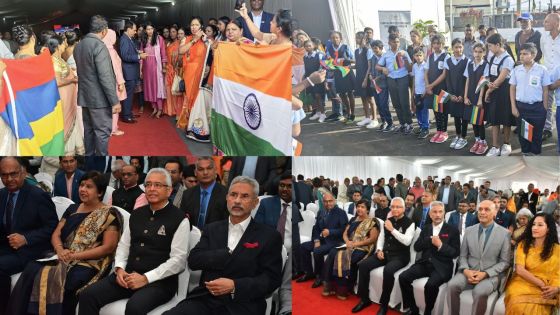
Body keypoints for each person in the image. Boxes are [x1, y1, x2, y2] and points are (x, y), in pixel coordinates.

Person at [7, 171, 123, 315]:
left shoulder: (108, 214)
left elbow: (108, 247)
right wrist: (60, 249)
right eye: (81, 185)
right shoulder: (72, 208)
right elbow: (56, 233)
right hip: (63, 255)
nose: (82, 189)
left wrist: (75, 256)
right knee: (32, 269)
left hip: (88, 262)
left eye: (89, 187)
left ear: (99, 192)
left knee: (68, 282)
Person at [163, 176, 282, 315]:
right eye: (233, 195)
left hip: (243, 304)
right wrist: (227, 254)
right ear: (227, 198)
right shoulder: (212, 229)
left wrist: (234, 286)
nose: (237, 201)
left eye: (244, 196)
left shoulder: (269, 236)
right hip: (205, 298)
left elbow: (271, 279)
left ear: (255, 203)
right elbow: (194, 260)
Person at [78, 168, 190, 315]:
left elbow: (179, 260)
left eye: (157, 185)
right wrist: (119, 269)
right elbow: (124, 246)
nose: (151, 189)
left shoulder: (179, 219)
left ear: (169, 191)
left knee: (134, 308)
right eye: (148, 184)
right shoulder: (137, 214)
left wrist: (146, 278)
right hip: (127, 275)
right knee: (87, 295)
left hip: (159, 282)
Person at [0, 158, 58, 315]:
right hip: (6, 247)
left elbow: (52, 226)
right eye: (4, 175)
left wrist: (26, 238)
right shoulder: (2, 194)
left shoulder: (38, 195)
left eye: (13, 174)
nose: (9, 179)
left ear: (24, 172)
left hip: (30, 250)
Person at [446, 200, 511, 315]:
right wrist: (466, 270)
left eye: (487, 210)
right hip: (468, 271)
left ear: (495, 212)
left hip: (490, 275)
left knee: (479, 292)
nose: (482, 212)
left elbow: (505, 262)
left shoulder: (504, 233)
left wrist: (485, 273)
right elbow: (463, 256)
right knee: (452, 285)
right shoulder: (469, 230)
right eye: (480, 209)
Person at [353, 197, 415, 314]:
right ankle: (364, 299)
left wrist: (392, 230)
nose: (395, 209)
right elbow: (381, 238)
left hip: (400, 256)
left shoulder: (410, 223)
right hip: (385, 253)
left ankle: (384, 305)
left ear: (404, 208)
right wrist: (379, 249)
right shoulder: (388, 220)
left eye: (398, 207)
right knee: (363, 265)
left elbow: (407, 241)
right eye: (393, 207)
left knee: (388, 271)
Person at [399, 201, 460, 315]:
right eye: (434, 212)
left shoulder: (452, 230)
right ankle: (413, 308)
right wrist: (428, 240)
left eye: (440, 212)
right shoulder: (426, 228)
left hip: (442, 266)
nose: (437, 215)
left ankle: (428, 311)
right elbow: (417, 247)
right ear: (430, 214)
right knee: (403, 277)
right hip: (425, 263)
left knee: (430, 285)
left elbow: (455, 253)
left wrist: (440, 245)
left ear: (444, 213)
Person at [73, 15, 121, 156]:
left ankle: (89, 159)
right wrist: (114, 101)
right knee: (102, 132)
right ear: (104, 30)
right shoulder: (99, 46)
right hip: (99, 99)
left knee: (89, 131)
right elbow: (105, 77)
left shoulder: (79, 45)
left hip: (85, 97)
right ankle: (99, 162)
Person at [254, 173, 299, 315]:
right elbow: (256, 231)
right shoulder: (267, 204)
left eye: (289, 186)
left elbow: (296, 237)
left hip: (290, 254)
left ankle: (285, 309)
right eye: (282, 185)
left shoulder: (296, 209)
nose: (285, 189)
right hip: (268, 253)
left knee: (287, 285)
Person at [323, 199, 379, 300]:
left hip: (362, 248)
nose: (359, 209)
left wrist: (356, 244)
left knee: (346, 257)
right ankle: (329, 283)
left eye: (362, 207)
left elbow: (372, 239)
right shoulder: (353, 219)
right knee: (332, 252)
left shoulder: (372, 222)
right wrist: (347, 242)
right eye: (358, 206)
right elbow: (345, 233)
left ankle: (343, 288)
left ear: (367, 210)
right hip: (349, 244)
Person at [505, 213, 559, 314]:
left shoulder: (557, 250)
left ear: (548, 229)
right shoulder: (524, 244)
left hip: (547, 288)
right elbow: (520, 270)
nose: (534, 228)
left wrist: (556, 288)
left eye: (540, 225)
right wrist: (542, 285)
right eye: (533, 224)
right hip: (523, 283)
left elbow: (558, 273)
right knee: (518, 307)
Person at [297, 191, 348, 287]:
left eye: (330, 201)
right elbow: (316, 228)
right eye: (325, 201)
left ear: (334, 201)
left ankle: (319, 276)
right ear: (323, 202)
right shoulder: (321, 211)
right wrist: (316, 240)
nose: (328, 203)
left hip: (335, 241)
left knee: (317, 251)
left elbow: (344, 230)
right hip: (321, 239)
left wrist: (330, 231)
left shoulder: (341, 213)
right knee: (303, 247)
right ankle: (308, 273)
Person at [510, 42, 551, 155]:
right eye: (520, 53)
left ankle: (535, 156)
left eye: (525, 54)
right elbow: (512, 89)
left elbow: (545, 89)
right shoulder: (517, 70)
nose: (521, 56)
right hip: (521, 108)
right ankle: (526, 154)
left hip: (537, 108)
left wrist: (544, 107)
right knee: (524, 135)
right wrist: (513, 107)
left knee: (537, 136)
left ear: (533, 55)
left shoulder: (542, 70)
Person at [47, 34, 85, 155]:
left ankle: (74, 149)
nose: (65, 44)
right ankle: (65, 152)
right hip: (62, 99)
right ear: (57, 46)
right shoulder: (53, 61)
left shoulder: (60, 59)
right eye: (63, 43)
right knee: (65, 124)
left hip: (69, 99)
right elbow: (57, 81)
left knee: (72, 122)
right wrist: (72, 80)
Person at [483, 33, 515, 156]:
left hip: (504, 91)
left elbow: (501, 79)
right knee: (494, 120)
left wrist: (488, 91)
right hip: (494, 90)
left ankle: (506, 144)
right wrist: (488, 85)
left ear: (498, 45)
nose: (489, 49)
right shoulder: (493, 57)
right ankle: (495, 146)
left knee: (506, 119)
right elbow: (488, 75)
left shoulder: (507, 59)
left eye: (490, 46)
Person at [376, 33, 412, 133]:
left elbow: (410, 68)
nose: (396, 44)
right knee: (396, 103)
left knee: (404, 102)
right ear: (389, 43)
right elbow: (377, 66)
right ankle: (402, 124)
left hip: (402, 78)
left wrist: (404, 58)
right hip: (391, 79)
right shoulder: (386, 54)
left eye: (397, 42)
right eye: (393, 42)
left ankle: (409, 124)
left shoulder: (403, 52)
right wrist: (383, 68)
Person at [176, 17, 207, 130]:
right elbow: (181, 51)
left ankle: (198, 125)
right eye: (192, 25)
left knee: (199, 99)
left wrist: (204, 39)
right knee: (189, 97)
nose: (194, 27)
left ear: (201, 26)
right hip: (189, 73)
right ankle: (189, 123)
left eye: (196, 25)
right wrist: (194, 40)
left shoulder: (206, 39)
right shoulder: (187, 39)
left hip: (201, 73)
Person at [179, 157, 228, 229]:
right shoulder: (187, 194)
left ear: (215, 171)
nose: (205, 172)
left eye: (209, 168)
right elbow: (182, 220)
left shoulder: (226, 194)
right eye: (201, 169)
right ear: (195, 172)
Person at [463, 43, 489, 154]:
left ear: (484, 53)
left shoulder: (485, 65)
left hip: (479, 97)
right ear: (472, 52)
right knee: (473, 120)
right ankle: (477, 140)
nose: (477, 54)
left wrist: (480, 99)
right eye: (475, 51)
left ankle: (483, 142)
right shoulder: (469, 64)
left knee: (479, 120)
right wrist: (465, 96)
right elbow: (467, 80)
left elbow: (483, 82)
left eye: (480, 52)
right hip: (470, 96)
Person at [326, 31, 356, 122]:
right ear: (330, 39)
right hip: (337, 73)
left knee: (350, 93)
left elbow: (354, 59)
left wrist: (344, 60)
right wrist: (331, 64)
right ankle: (348, 112)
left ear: (340, 38)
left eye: (337, 37)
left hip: (346, 72)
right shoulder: (328, 49)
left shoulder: (345, 47)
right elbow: (328, 63)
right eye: (333, 38)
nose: (335, 39)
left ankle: (353, 114)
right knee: (342, 94)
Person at [445, 38, 470, 150]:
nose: (458, 49)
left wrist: (461, 95)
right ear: (452, 48)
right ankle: (457, 135)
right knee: (455, 116)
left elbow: (467, 80)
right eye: (456, 47)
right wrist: (451, 95)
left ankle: (463, 137)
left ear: (463, 48)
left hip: (463, 94)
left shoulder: (467, 61)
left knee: (464, 117)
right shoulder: (449, 61)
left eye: (460, 47)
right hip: (453, 94)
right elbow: (447, 80)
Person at [120, 21, 146, 124]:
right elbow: (125, 56)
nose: (135, 32)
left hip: (131, 71)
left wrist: (137, 52)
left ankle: (129, 113)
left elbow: (129, 52)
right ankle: (126, 116)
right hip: (128, 72)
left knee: (130, 95)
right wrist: (139, 56)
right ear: (129, 29)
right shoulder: (124, 39)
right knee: (128, 94)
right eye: (134, 30)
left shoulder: (128, 39)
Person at [102, 29, 127, 137]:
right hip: (113, 82)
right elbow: (116, 69)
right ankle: (113, 129)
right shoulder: (111, 51)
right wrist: (121, 82)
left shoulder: (101, 49)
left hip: (103, 82)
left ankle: (106, 127)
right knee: (115, 106)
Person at [425, 34, 450, 143]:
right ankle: (438, 131)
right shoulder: (430, 56)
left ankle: (444, 132)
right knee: (436, 110)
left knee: (442, 110)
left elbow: (444, 74)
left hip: (442, 88)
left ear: (443, 44)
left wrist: (431, 85)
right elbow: (426, 72)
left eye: (438, 43)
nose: (436, 46)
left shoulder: (446, 56)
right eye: (434, 43)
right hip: (432, 88)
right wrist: (428, 86)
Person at [140, 21, 167, 119]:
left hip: (156, 66)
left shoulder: (159, 39)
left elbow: (163, 53)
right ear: (145, 30)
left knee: (157, 87)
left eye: (151, 29)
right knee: (149, 87)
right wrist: (140, 70)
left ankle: (160, 109)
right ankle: (154, 107)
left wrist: (164, 67)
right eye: (147, 29)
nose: (149, 31)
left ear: (154, 29)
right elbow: (141, 55)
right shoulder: (144, 39)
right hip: (147, 67)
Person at [541, 13, 560, 143]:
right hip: (547, 75)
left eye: (547, 21)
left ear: (556, 23)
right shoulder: (544, 38)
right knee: (546, 103)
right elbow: (544, 53)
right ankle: (547, 128)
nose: (544, 23)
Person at [354, 32, 376, 127]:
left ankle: (374, 119)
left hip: (366, 77)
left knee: (370, 98)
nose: (357, 40)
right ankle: (367, 117)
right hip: (358, 76)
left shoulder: (368, 50)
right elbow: (358, 64)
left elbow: (369, 66)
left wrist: (365, 79)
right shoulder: (356, 51)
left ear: (365, 39)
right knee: (363, 98)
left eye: (359, 38)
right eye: (356, 38)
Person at [163, 26, 185, 117]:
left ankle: (176, 111)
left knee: (176, 90)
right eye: (170, 32)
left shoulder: (180, 44)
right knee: (168, 90)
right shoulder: (168, 43)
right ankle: (170, 109)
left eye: (174, 32)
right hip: (168, 69)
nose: (172, 34)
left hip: (175, 69)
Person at [305, 39, 327, 123]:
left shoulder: (320, 55)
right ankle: (317, 113)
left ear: (313, 46)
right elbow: (306, 68)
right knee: (314, 96)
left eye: (309, 46)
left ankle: (323, 113)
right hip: (309, 78)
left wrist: (319, 74)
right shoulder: (305, 56)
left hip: (318, 79)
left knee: (318, 96)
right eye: (306, 46)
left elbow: (324, 66)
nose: (308, 47)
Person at [368, 40, 389, 130]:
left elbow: (387, 71)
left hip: (383, 85)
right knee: (378, 104)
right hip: (374, 85)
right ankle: (383, 121)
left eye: (376, 48)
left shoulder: (385, 57)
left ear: (381, 48)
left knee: (383, 104)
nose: (374, 50)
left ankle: (389, 122)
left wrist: (378, 78)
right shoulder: (372, 57)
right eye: (373, 48)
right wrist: (369, 75)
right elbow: (371, 69)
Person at [411, 48, 430, 139]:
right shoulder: (414, 66)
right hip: (417, 92)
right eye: (416, 55)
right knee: (418, 110)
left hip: (424, 92)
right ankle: (421, 126)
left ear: (424, 56)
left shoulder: (426, 66)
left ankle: (425, 128)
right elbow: (414, 79)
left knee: (424, 110)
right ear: (414, 57)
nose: (418, 57)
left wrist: (426, 90)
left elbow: (427, 79)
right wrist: (413, 90)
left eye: (420, 55)